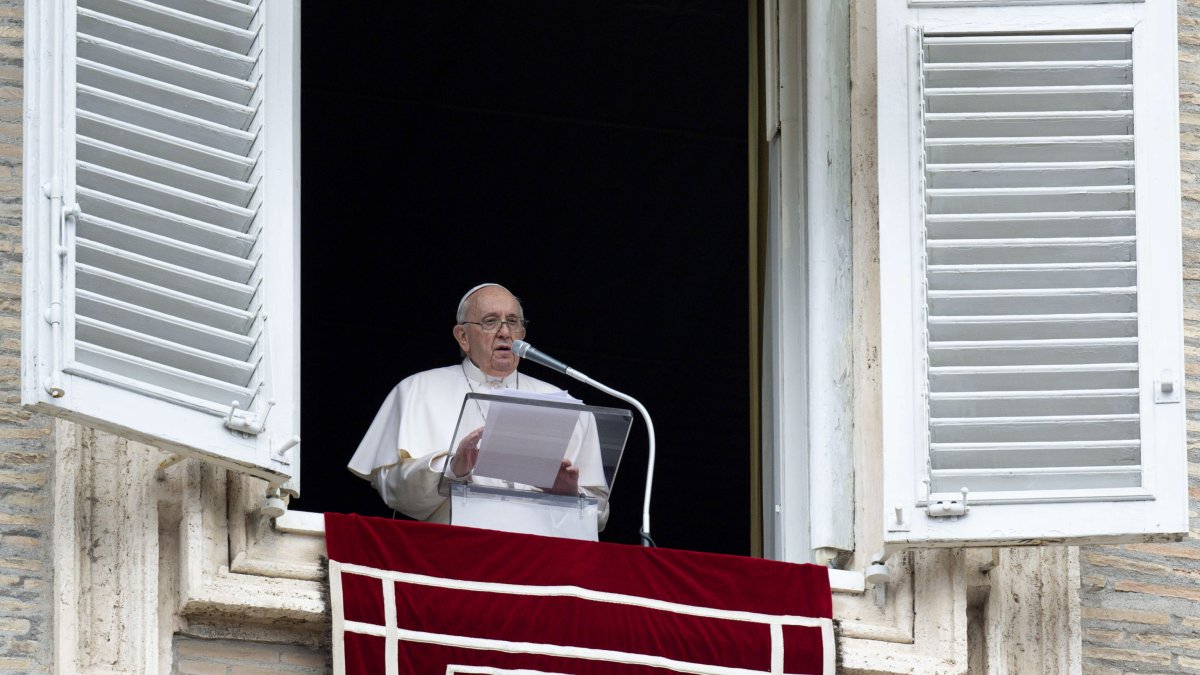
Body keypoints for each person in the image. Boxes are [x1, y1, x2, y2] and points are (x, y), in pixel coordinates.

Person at [347, 283, 610, 527]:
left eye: (513, 322)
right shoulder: (417, 389)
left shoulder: (563, 403)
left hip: (542, 559)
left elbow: (599, 515)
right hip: (453, 557)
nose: (505, 332)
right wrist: (452, 468)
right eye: (490, 322)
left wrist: (571, 495)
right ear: (463, 336)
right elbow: (392, 489)